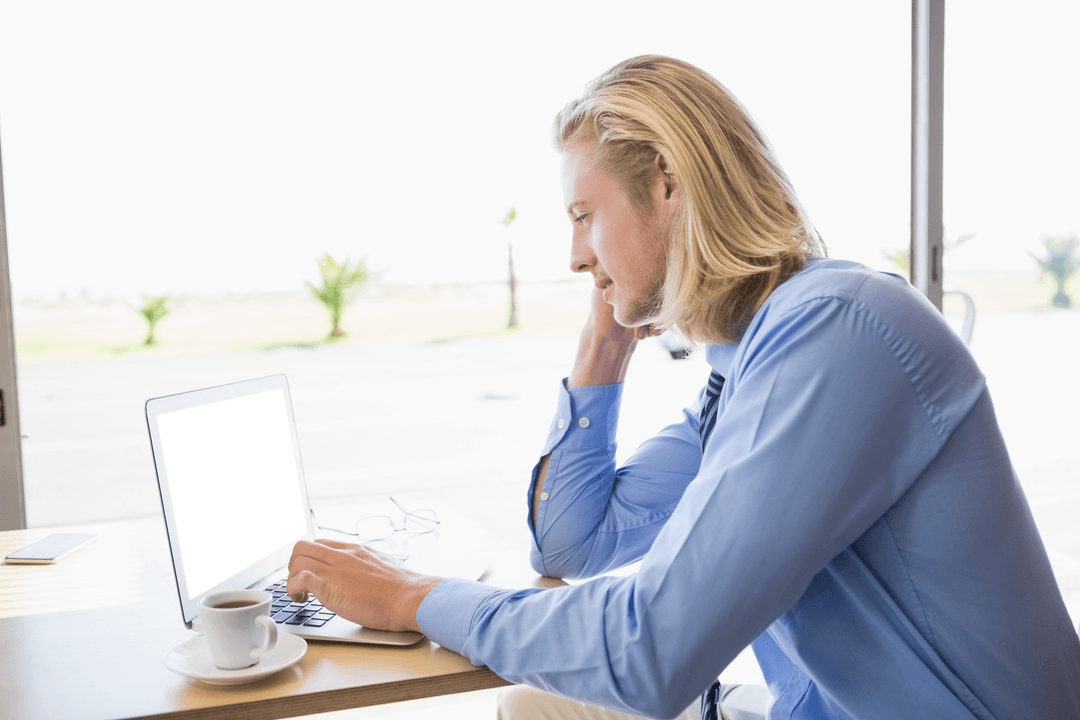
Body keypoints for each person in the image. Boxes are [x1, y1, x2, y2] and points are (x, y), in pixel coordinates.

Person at [288, 55, 1080, 719]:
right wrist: (603, 345)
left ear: (667, 183)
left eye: (584, 215)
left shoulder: (837, 333)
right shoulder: (748, 369)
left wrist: (409, 597)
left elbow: (652, 651)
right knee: (533, 704)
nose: (574, 255)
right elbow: (571, 543)